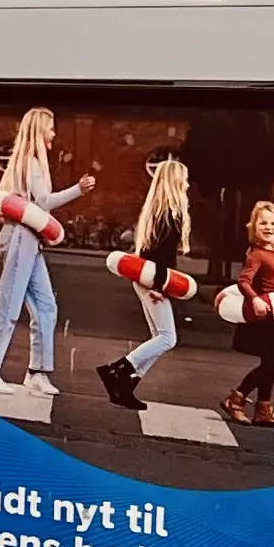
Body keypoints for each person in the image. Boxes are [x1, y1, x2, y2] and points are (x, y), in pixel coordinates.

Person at [0, 107, 93, 397]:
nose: (54, 133)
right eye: (50, 128)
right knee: (9, 304)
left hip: (29, 239)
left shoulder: (29, 162)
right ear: (39, 130)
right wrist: (78, 189)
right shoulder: (30, 162)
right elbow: (43, 202)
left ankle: (38, 372)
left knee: (46, 307)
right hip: (20, 237)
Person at [100, 154, 195, 407]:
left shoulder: (155, 211)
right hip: (153, 279)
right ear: (175, 182)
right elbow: (162, 256)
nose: (187, 185)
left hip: (147, 277)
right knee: (167, 338)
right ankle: (118, 370)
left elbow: (149, 252)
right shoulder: (170, 215)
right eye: (184, 180)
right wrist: (158, 287)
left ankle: (126, 385)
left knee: (158, 335)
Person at [227, 201, 274, 428]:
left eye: (273, 223)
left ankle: (263, 409)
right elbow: (243, 281)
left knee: (271, 362)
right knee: (270, 363)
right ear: (254, 226)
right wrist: (255, 299)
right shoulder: (256, 254)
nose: (268, 227)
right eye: (262, 222)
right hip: (261, 316)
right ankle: (235, 400)